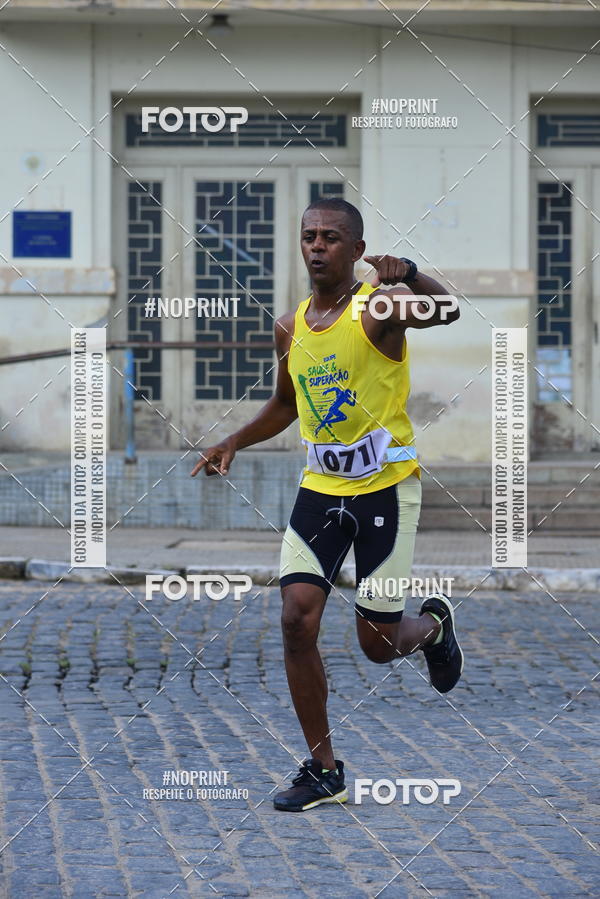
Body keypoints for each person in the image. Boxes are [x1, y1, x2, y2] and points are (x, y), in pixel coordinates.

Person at [191, 197, 463, 813]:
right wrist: (233, 439)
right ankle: (324, 769)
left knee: (377, 643)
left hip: (385, 489)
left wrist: (412, 271)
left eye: (331, 237)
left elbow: (447, 311)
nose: (317, 246)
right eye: (309, 235)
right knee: (295, 618)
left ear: (357, 251)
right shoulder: (289, 326)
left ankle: (434, 626)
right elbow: (286, 404)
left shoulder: (381, 306)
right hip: (320, 490)